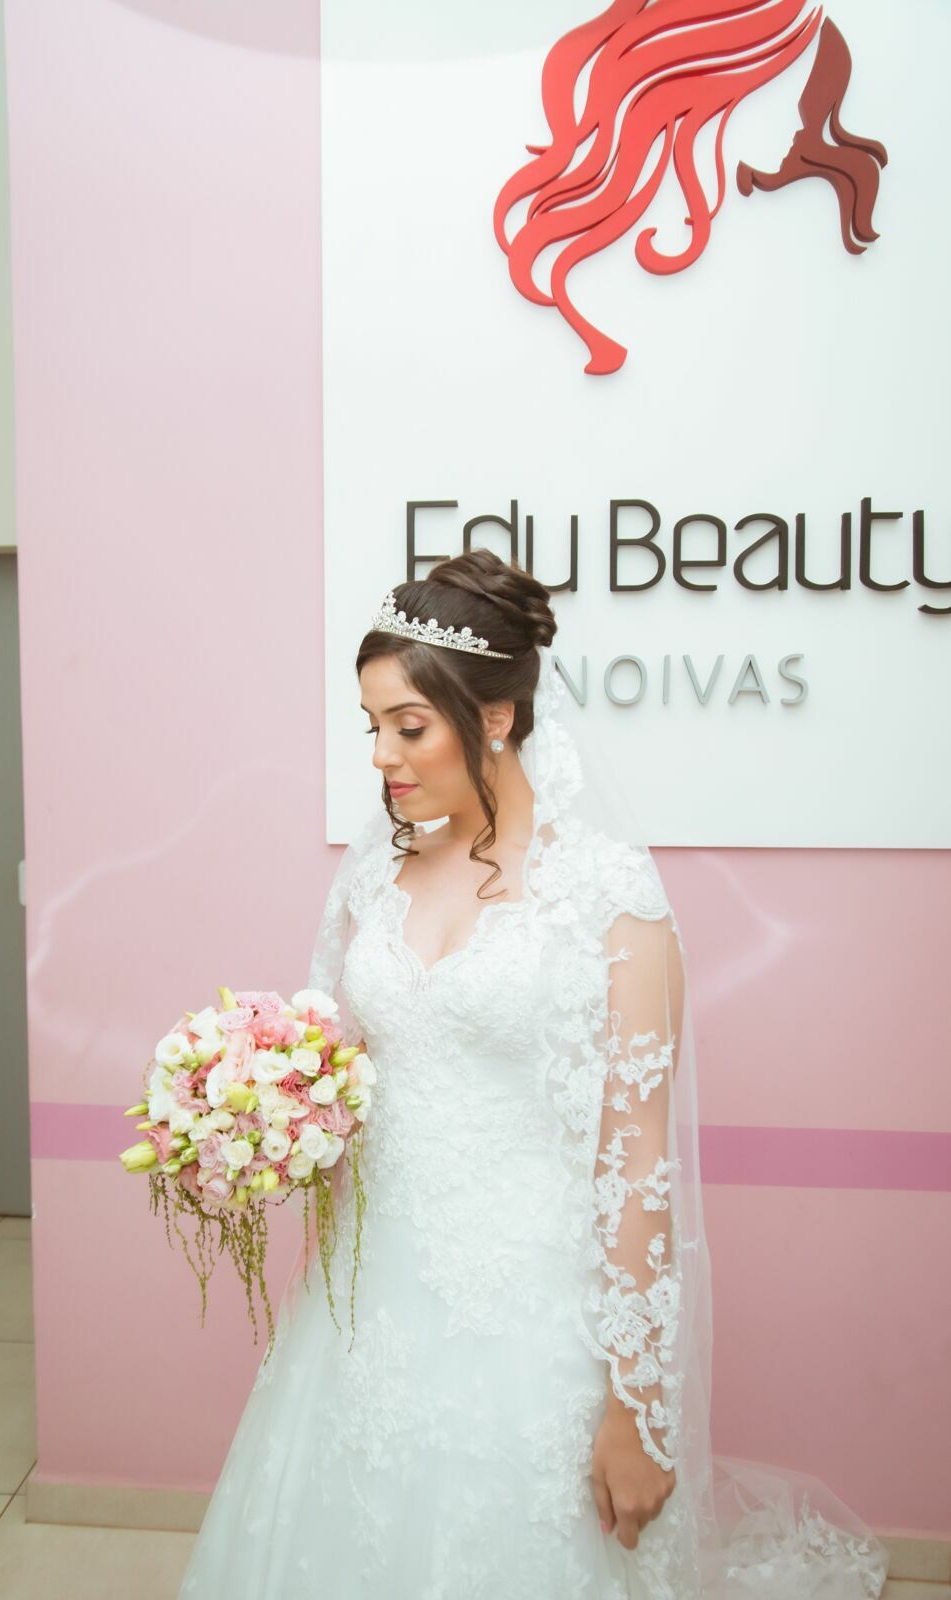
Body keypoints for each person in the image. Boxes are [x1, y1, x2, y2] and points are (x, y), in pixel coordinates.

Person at [177, 549, 890, 1598]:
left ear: (497, 717)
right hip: (363, 1312)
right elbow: (334, 1066)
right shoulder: (373, 872)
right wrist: (251, 1112)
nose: (382, 755)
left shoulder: (610, 898)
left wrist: (636, 1406)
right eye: (369, 725)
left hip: (530, 1332)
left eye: (408, 726)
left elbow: (636, 1164)